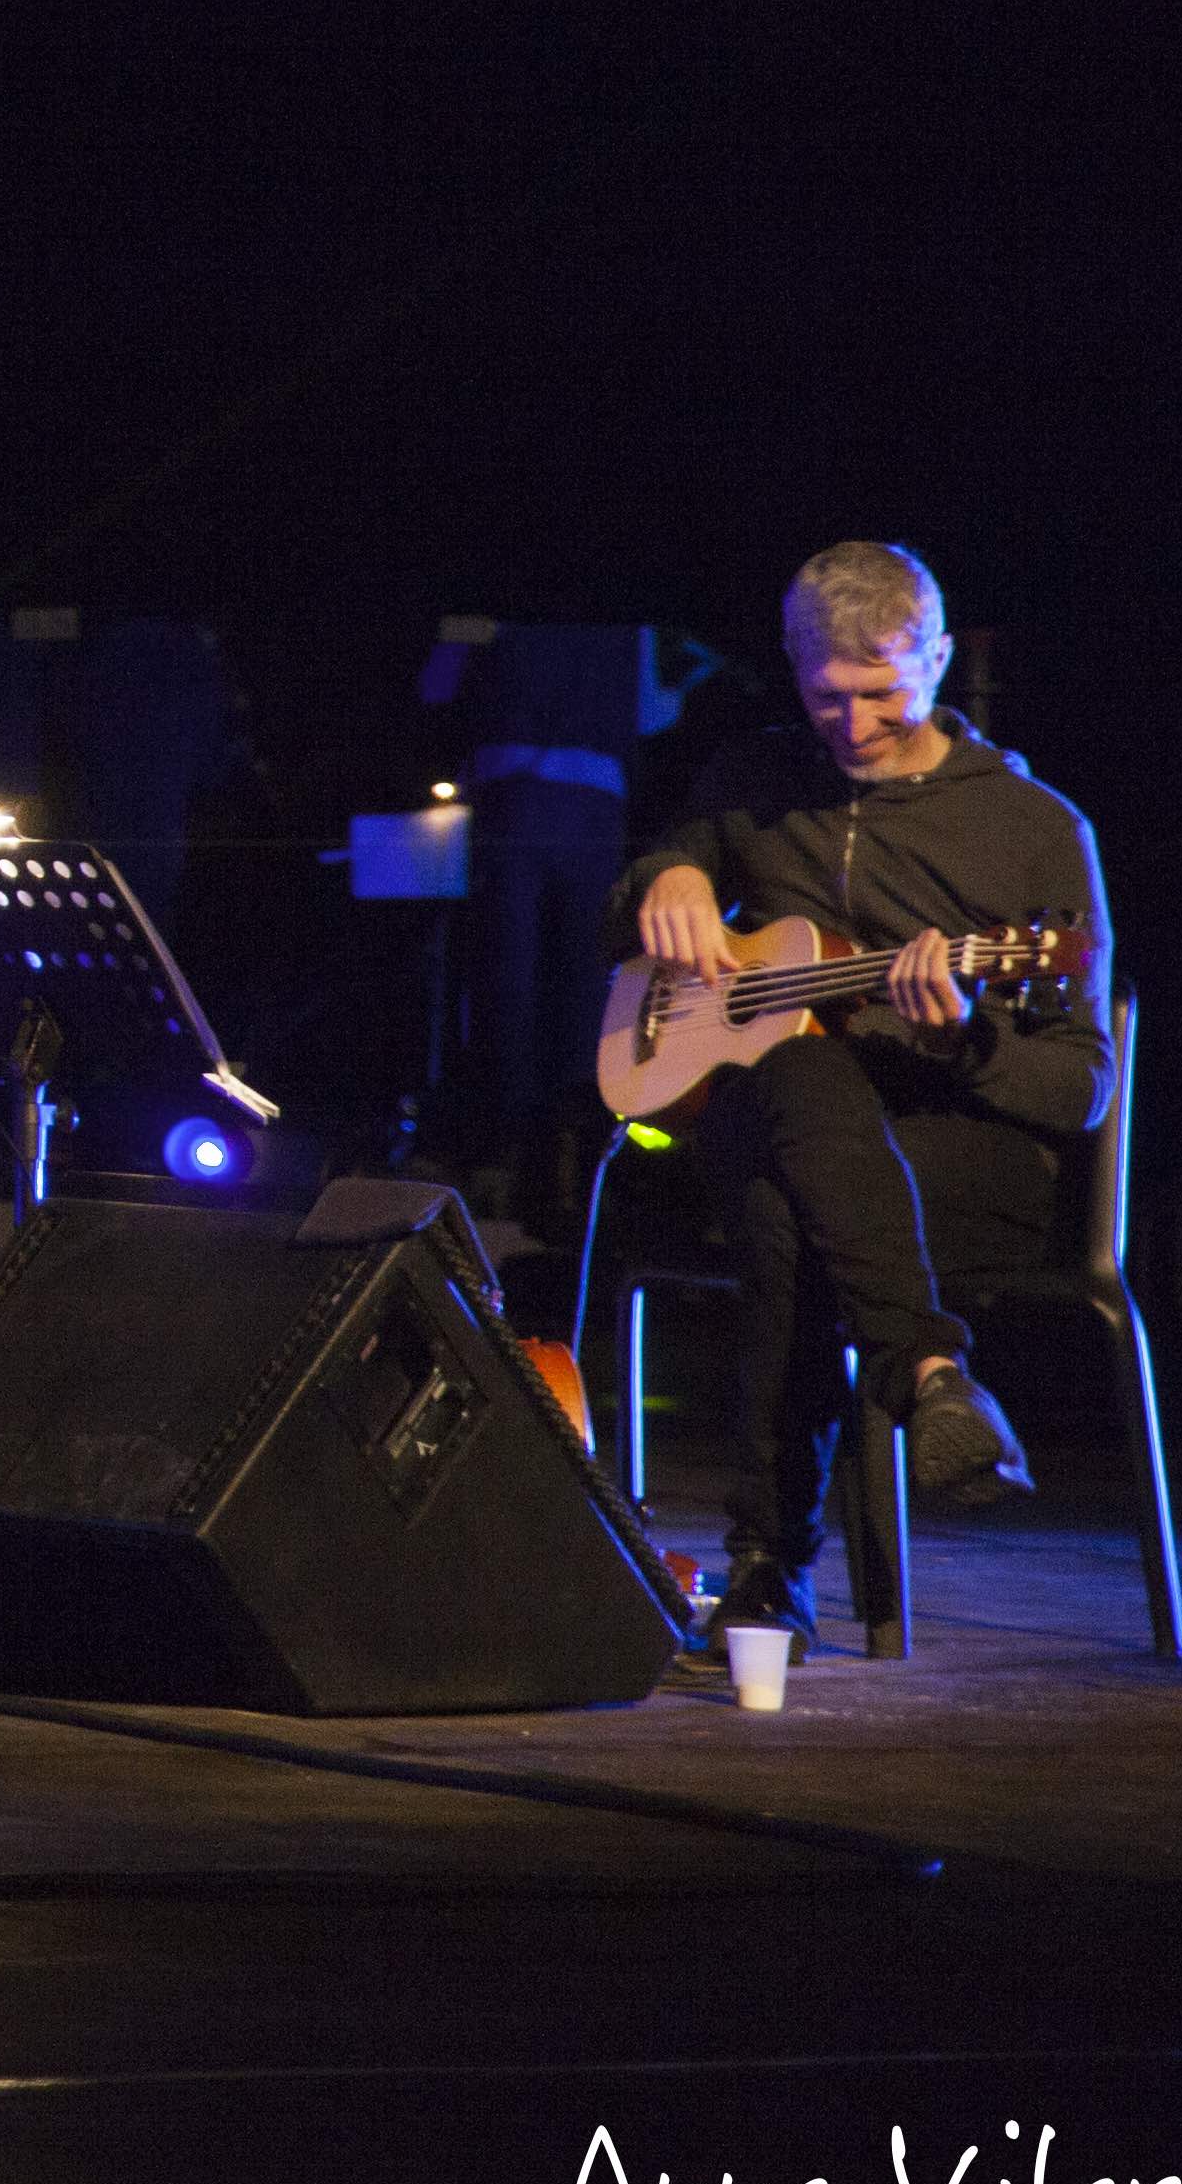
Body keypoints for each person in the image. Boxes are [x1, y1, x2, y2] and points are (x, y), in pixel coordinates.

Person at [624, 542, 1108, 1627]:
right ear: (793, 671)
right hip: (798, 1135)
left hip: (962, 1157)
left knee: (784, 1201)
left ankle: (767, 1572)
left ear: (937, 658)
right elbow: (653, 876)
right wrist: (675, 877)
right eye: (826, 697)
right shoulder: (754, 783)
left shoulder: (1034, 829)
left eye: (883, 693)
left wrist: (961, 1044)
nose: (853, 725)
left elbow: (1081, 1090)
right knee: (799, 1083)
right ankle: (931, 1374)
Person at [418, 614, 719, 1215]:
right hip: (594, 808)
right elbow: (649, 715)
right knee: (583, 985)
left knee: (505, 983)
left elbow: (437, 685)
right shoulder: (628, 624)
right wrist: (694, 677)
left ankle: (500, 1156)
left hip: (511, 797)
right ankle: (572, 1164)